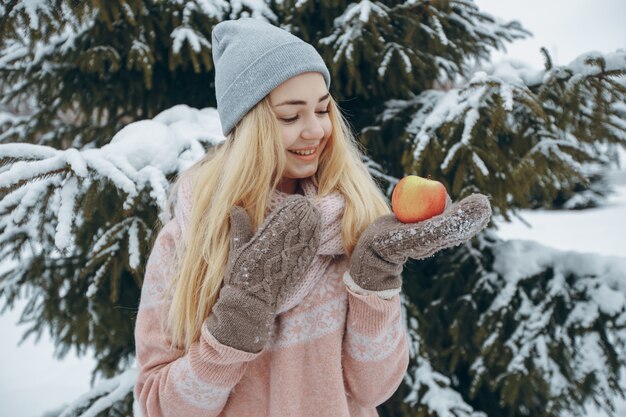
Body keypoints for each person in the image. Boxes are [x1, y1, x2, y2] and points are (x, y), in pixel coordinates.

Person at [133, 17, 492, 417]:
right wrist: (236, 320)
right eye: (290, 116)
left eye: (323, 110)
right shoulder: (191, 239)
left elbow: (373, 388)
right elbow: (161, 407)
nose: (316, 130)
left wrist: (375, 281)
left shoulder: (355, 224)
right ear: (248, 126)